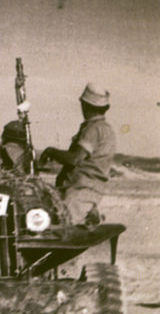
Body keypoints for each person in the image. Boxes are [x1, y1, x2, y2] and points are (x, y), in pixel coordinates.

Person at [38, 82, 116, 226]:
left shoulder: (93, 129)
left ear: (84, 105)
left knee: (54, 228)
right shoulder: (107, 130)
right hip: (90, 192)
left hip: (78, 194)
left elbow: (75, 159)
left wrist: (51, 151)